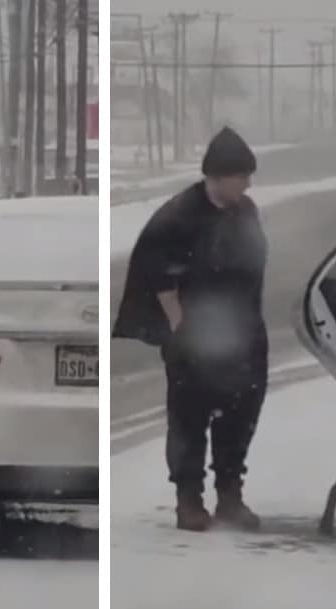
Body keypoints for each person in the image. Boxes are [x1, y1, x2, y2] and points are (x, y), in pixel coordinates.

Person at [113, 127, 268, 532]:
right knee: (190, 418)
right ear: (217, 176)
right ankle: (189, 501)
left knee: (240, 415)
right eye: (242, 176)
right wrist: (180, 324)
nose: (248, 184)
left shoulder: (245, 211)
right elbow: (158, 274)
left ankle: (230, 496)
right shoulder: (179, 215)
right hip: (195, 336)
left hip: (243, 332)